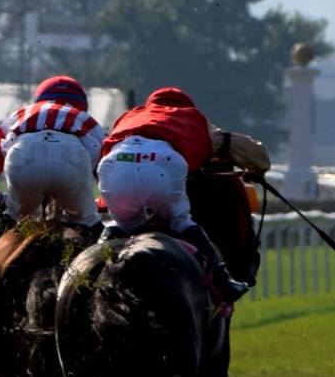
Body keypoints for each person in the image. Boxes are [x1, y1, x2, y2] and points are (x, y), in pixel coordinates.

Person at [96, 86, 267, 310]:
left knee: (120, 224)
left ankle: (88, 273)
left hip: (114, 164)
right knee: (181, 222)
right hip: (161, 164)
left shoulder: (130, 116)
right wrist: (256, 168)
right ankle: (224, 282)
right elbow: (257, 157)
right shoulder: (191, 118)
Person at [0, 75, 105, 232]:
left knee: (13, 218)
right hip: (71, 166)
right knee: (89, 223)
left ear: (39, 100)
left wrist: (2, 201)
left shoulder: (20, 115)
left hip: (24, 162)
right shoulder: (85, 120)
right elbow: (111, 177)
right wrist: (99, 205)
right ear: (82, 105)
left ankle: (0, 237)